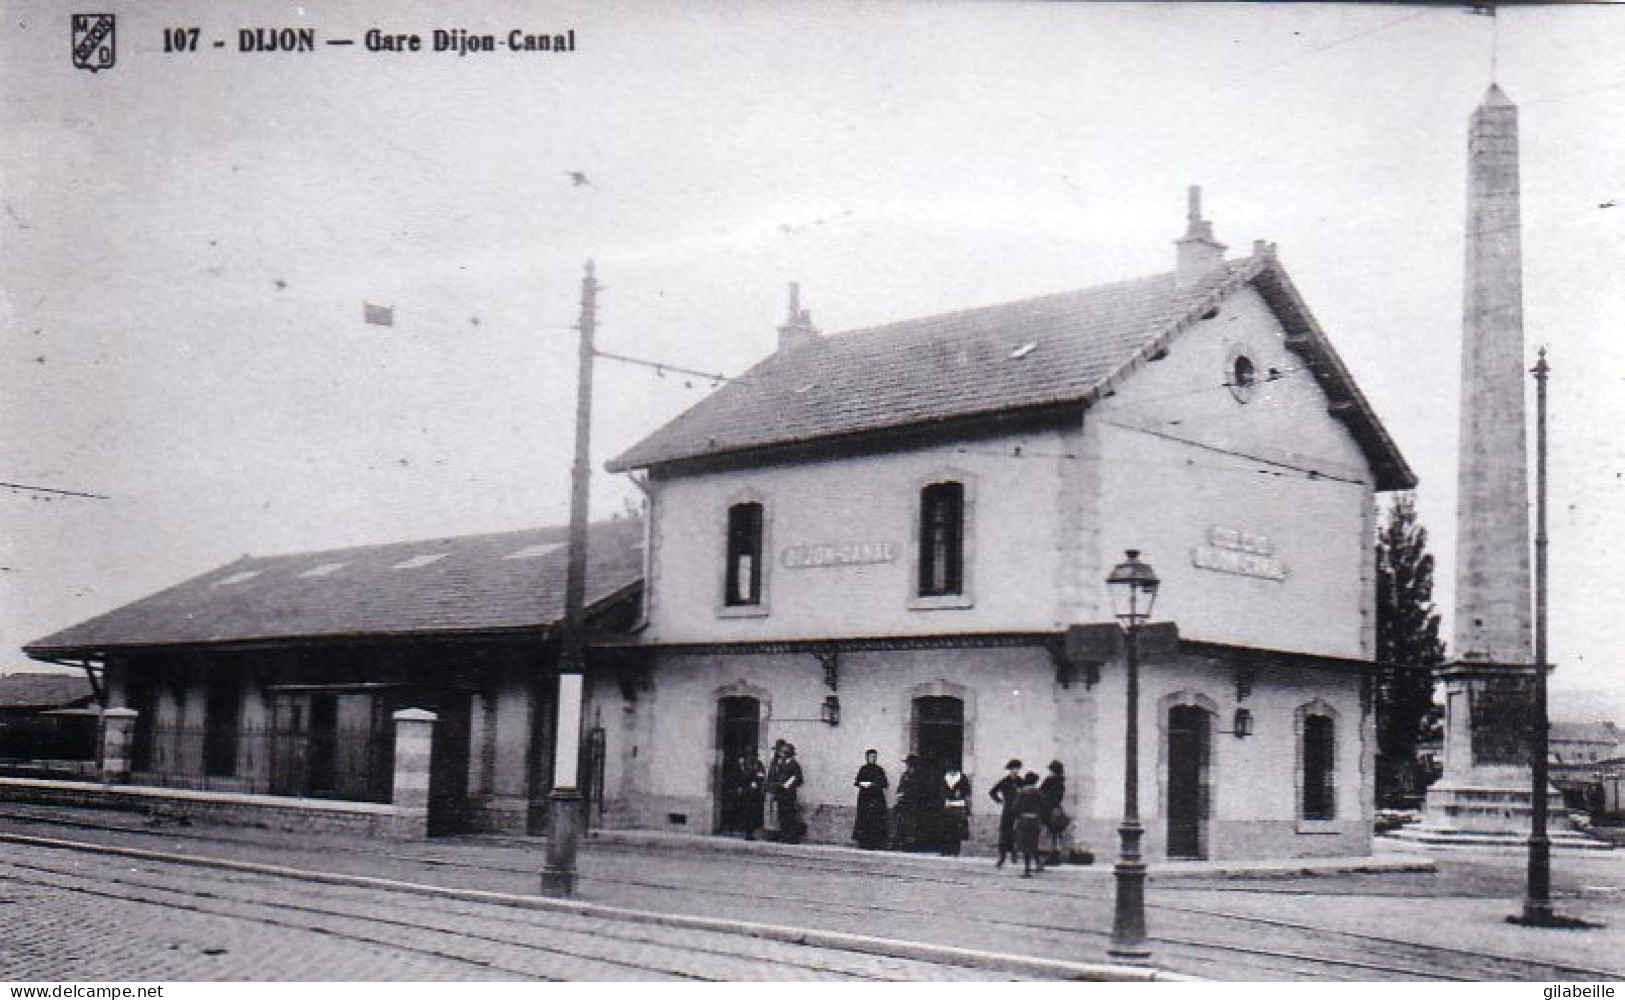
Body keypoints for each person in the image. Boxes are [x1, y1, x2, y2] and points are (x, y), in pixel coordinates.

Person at [851, 749, 890, 850]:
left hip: (876, 798)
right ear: (867, 758)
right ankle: (863, 841)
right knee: (864, 819)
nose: (872, 759)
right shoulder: (863, 769)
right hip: (865, 797)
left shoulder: (879, 770)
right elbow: (857, 782)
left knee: (875, 820)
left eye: (874, 757)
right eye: (870, 757)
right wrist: (863, 784)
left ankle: (875, 842)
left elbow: (885, 784)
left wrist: (874, 784)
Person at [989, 758, 1023, 867]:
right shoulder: (1004, 781)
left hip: (1018, 811)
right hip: (1007, 810)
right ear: (1010, 770)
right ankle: (1002, 857)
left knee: (1016, 833)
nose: (1015, 771)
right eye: (1013, 769)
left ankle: (1014, 854)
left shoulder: (1021, 782)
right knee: (1004, 834)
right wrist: (999, 801)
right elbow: (992, 792)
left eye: (1017, 769)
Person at [1014, 771, 1046, 877]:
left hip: (1024, 821)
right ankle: (1038, 864)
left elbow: (1016, 808)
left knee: (1025, 846)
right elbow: (1044, 807)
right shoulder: (1039, 793)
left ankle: (1027, 869)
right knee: (1034, 844)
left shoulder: (1022, 793)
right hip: (1036, 821)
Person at [774, 743, 805, 843]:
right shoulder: (781, 763)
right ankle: (784, 834)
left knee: (789, 816)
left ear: (788, 753)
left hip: (789, 794)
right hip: (781, 793)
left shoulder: (794, 765)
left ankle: (792, 837)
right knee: (782, 815)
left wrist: (786, 785)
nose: (781, 754)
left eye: (784, 752)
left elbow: (798, 778)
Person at [938, 764, 972, 856]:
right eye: (950, 770)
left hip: (959, 805)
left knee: (957, 829)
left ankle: (955, 850)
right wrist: (945, 798)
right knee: (946, 828)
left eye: (953, 770)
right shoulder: (945, 778)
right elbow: (942, 791)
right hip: (948, 805)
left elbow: (967, 792)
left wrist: (967, 805)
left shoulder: (962, 778)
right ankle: (945, 850)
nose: (951, 772)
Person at [1040, 760, 1068, 862]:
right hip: (1057, 809)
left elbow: (1041, 792)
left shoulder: (1049, 780)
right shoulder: (1061, 781)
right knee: (1055, 834)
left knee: (1050, 833)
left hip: (1049, 809)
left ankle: (1051, 855)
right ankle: (1055, 854)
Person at [737, 748, 767, 839]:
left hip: (755, 792)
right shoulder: (744, 764)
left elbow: (761, 775)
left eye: (753, 755)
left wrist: (753, 776)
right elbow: (741, 776)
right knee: (746, 811)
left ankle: (751, 832)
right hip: (746, 791)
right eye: (749, 755)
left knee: (754, 812)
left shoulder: (759, 764)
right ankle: (747, 832)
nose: (751, 757)